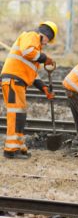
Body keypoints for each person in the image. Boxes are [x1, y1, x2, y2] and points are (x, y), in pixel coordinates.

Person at [1, 21, 58, 159]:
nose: (46, 44)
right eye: (48, 41)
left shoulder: (36, 50)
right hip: (13, 80)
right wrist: (45, 58)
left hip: (18, 82)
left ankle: (19, 146)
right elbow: (27, 52)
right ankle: (10, 150)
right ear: (45, 35)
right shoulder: (32, 36)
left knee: (20, 115)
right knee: (15, 115)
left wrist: (44, 88)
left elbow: (33, 74)